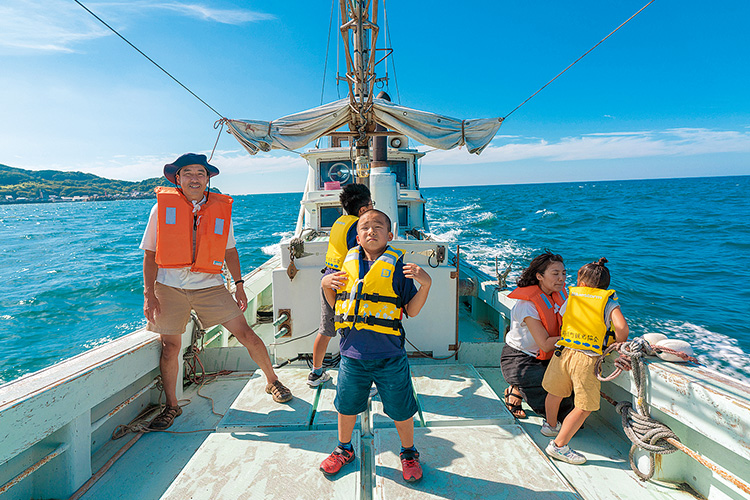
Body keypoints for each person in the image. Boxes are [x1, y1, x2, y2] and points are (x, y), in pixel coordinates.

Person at [141, 153, 292, 430]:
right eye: (188, 173)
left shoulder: (220, 210)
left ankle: (272, 381)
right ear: (178, 178)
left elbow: (229, 250)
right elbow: (150, 254)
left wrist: (239, 284)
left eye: (200, 173)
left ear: (208, 178)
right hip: (169, 287)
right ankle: (171, 407)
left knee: (246, 334)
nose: (194, 178)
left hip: (210, 285)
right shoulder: (160, 210)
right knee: (169, 348)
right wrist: (149, 294)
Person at [318, 209, 431, 483]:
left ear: (390, 235)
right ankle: (344, 449)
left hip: (390, 357)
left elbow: (411, 311)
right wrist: (324, 283)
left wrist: (426, 283)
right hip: (351, 356)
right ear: (357, 237)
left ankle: (408, 452)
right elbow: (338, 306)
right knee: (346, 406)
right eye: (365, 227)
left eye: (378, 226)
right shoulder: (346, 265)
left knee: (401, 409)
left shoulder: (399, 268)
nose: (371, 231)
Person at [542, 258, 629, 465]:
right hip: (587, 358)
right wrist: (619, 344)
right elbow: (622, 328)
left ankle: (550, 426)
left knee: (554, 393)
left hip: (562, 352)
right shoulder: (608, 302)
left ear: (580, 282)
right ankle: (559, 446)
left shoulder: (572, 297)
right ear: (605, 285)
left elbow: (564, 318)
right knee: (584, 406)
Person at [307, 184, 373, 387]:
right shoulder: (358, 226)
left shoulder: (339, 222)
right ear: (363, 210)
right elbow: (361, 255)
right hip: (346, 282)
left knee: (326, 329)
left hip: (329, 278)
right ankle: (360, 382)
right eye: (371, 205)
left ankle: (316, 374)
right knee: (356, 330)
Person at [500, 251, 574, 420]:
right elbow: (546, 344)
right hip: (520, 360)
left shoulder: (558, 296)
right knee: (561, 410)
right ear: (539, 276)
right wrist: (577, 338)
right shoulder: (527, 305)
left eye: (563, 273)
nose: (561, 278)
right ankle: (516, 388)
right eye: (555, 274)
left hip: (548, 358)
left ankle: (518, 389)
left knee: (573, 387)